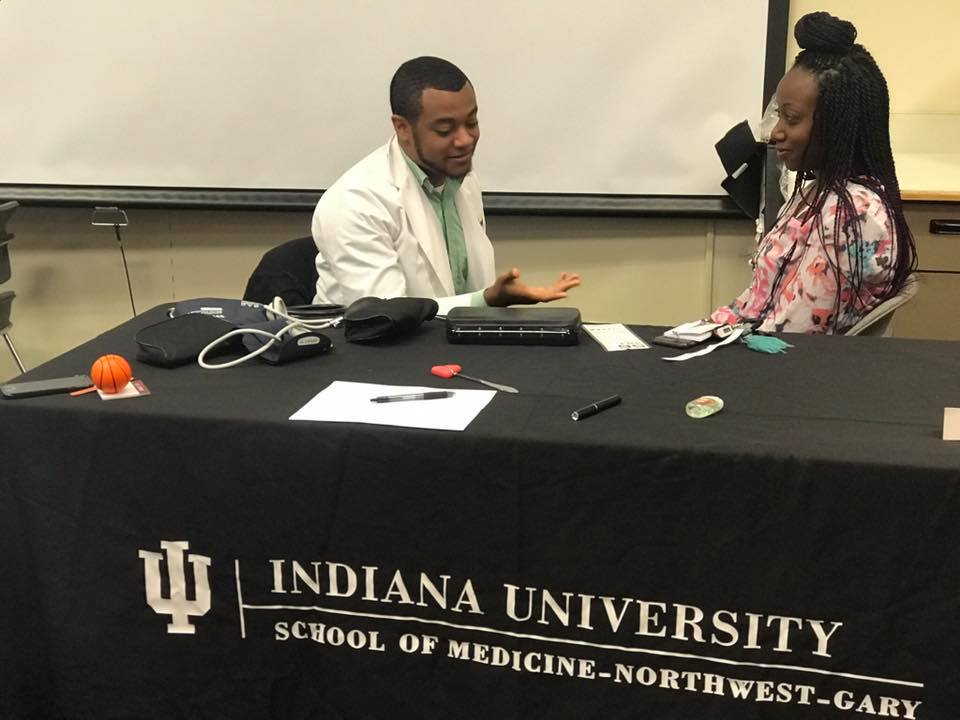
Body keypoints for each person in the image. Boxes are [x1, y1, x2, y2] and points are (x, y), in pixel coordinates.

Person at [312, 56, 579, 314]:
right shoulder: (354, 202)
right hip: (365, 354)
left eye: (471, 122)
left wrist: (489, 301)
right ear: (402, 127)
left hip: (447, 348)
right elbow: (387, 316)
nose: (465, 140)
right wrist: (485, 301)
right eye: (444, 130)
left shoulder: (460, 179)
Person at [711, 12, 916, 334]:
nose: (775, 132)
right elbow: (757, 302)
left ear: (836, 126)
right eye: (779, 115)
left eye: (791, 119)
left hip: (786, 372)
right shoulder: (815, 194)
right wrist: (700, 332)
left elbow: (794, 337)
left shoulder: (855, 217)